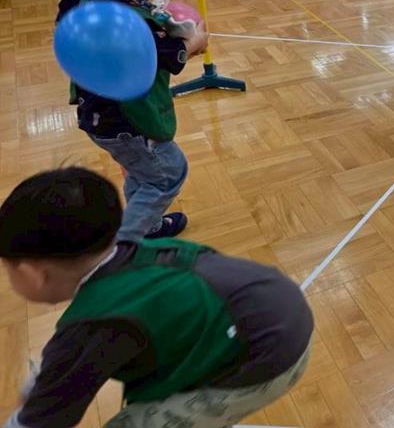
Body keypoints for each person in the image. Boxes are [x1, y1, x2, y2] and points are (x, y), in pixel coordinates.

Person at [0, 167, 313, 428]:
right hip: (274, 306)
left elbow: (41, 421)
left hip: (268, 355)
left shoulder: (94, 323)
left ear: (32, 274)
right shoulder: (127, 251)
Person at [58, 0, 208, 240]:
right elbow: (172, 56)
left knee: (143, 173)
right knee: (168, 174)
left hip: (99, 115)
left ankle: (147, 226)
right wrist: (194, 41)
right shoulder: (135, 27)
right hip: (130, 123)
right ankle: (125, 244)